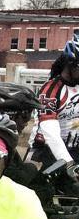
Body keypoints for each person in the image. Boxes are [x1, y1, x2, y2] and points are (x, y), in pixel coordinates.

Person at [28, 33, 79, 175]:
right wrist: (69, 165)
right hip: (48, 150)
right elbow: (51, 134)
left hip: (75, 148)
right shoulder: (50, 91)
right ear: (70, 63)